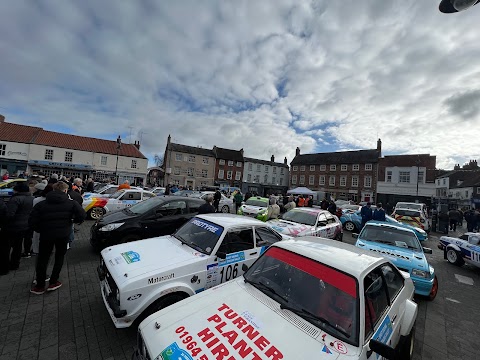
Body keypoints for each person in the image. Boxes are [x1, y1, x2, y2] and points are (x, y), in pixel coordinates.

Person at [29, 181, 86, 294]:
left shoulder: (42, 204)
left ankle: (40, 285)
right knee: (59, 257)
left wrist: (40, 229)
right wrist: (74, 221)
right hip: (63, 234)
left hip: (46, 235)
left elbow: (32, 221)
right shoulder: (71, 203)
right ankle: (53, 282)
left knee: (43, 259)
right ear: (65, 191)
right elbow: (82, 215)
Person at [0, 183, 34, 274]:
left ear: (17, 190)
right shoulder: (31, 199)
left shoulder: (15, 199)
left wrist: (3, 222)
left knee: (5, 248)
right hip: (24, 226)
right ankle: (15, 264)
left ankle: (3, 268)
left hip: (12, 227)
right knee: (18, 246)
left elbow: (9, 214)